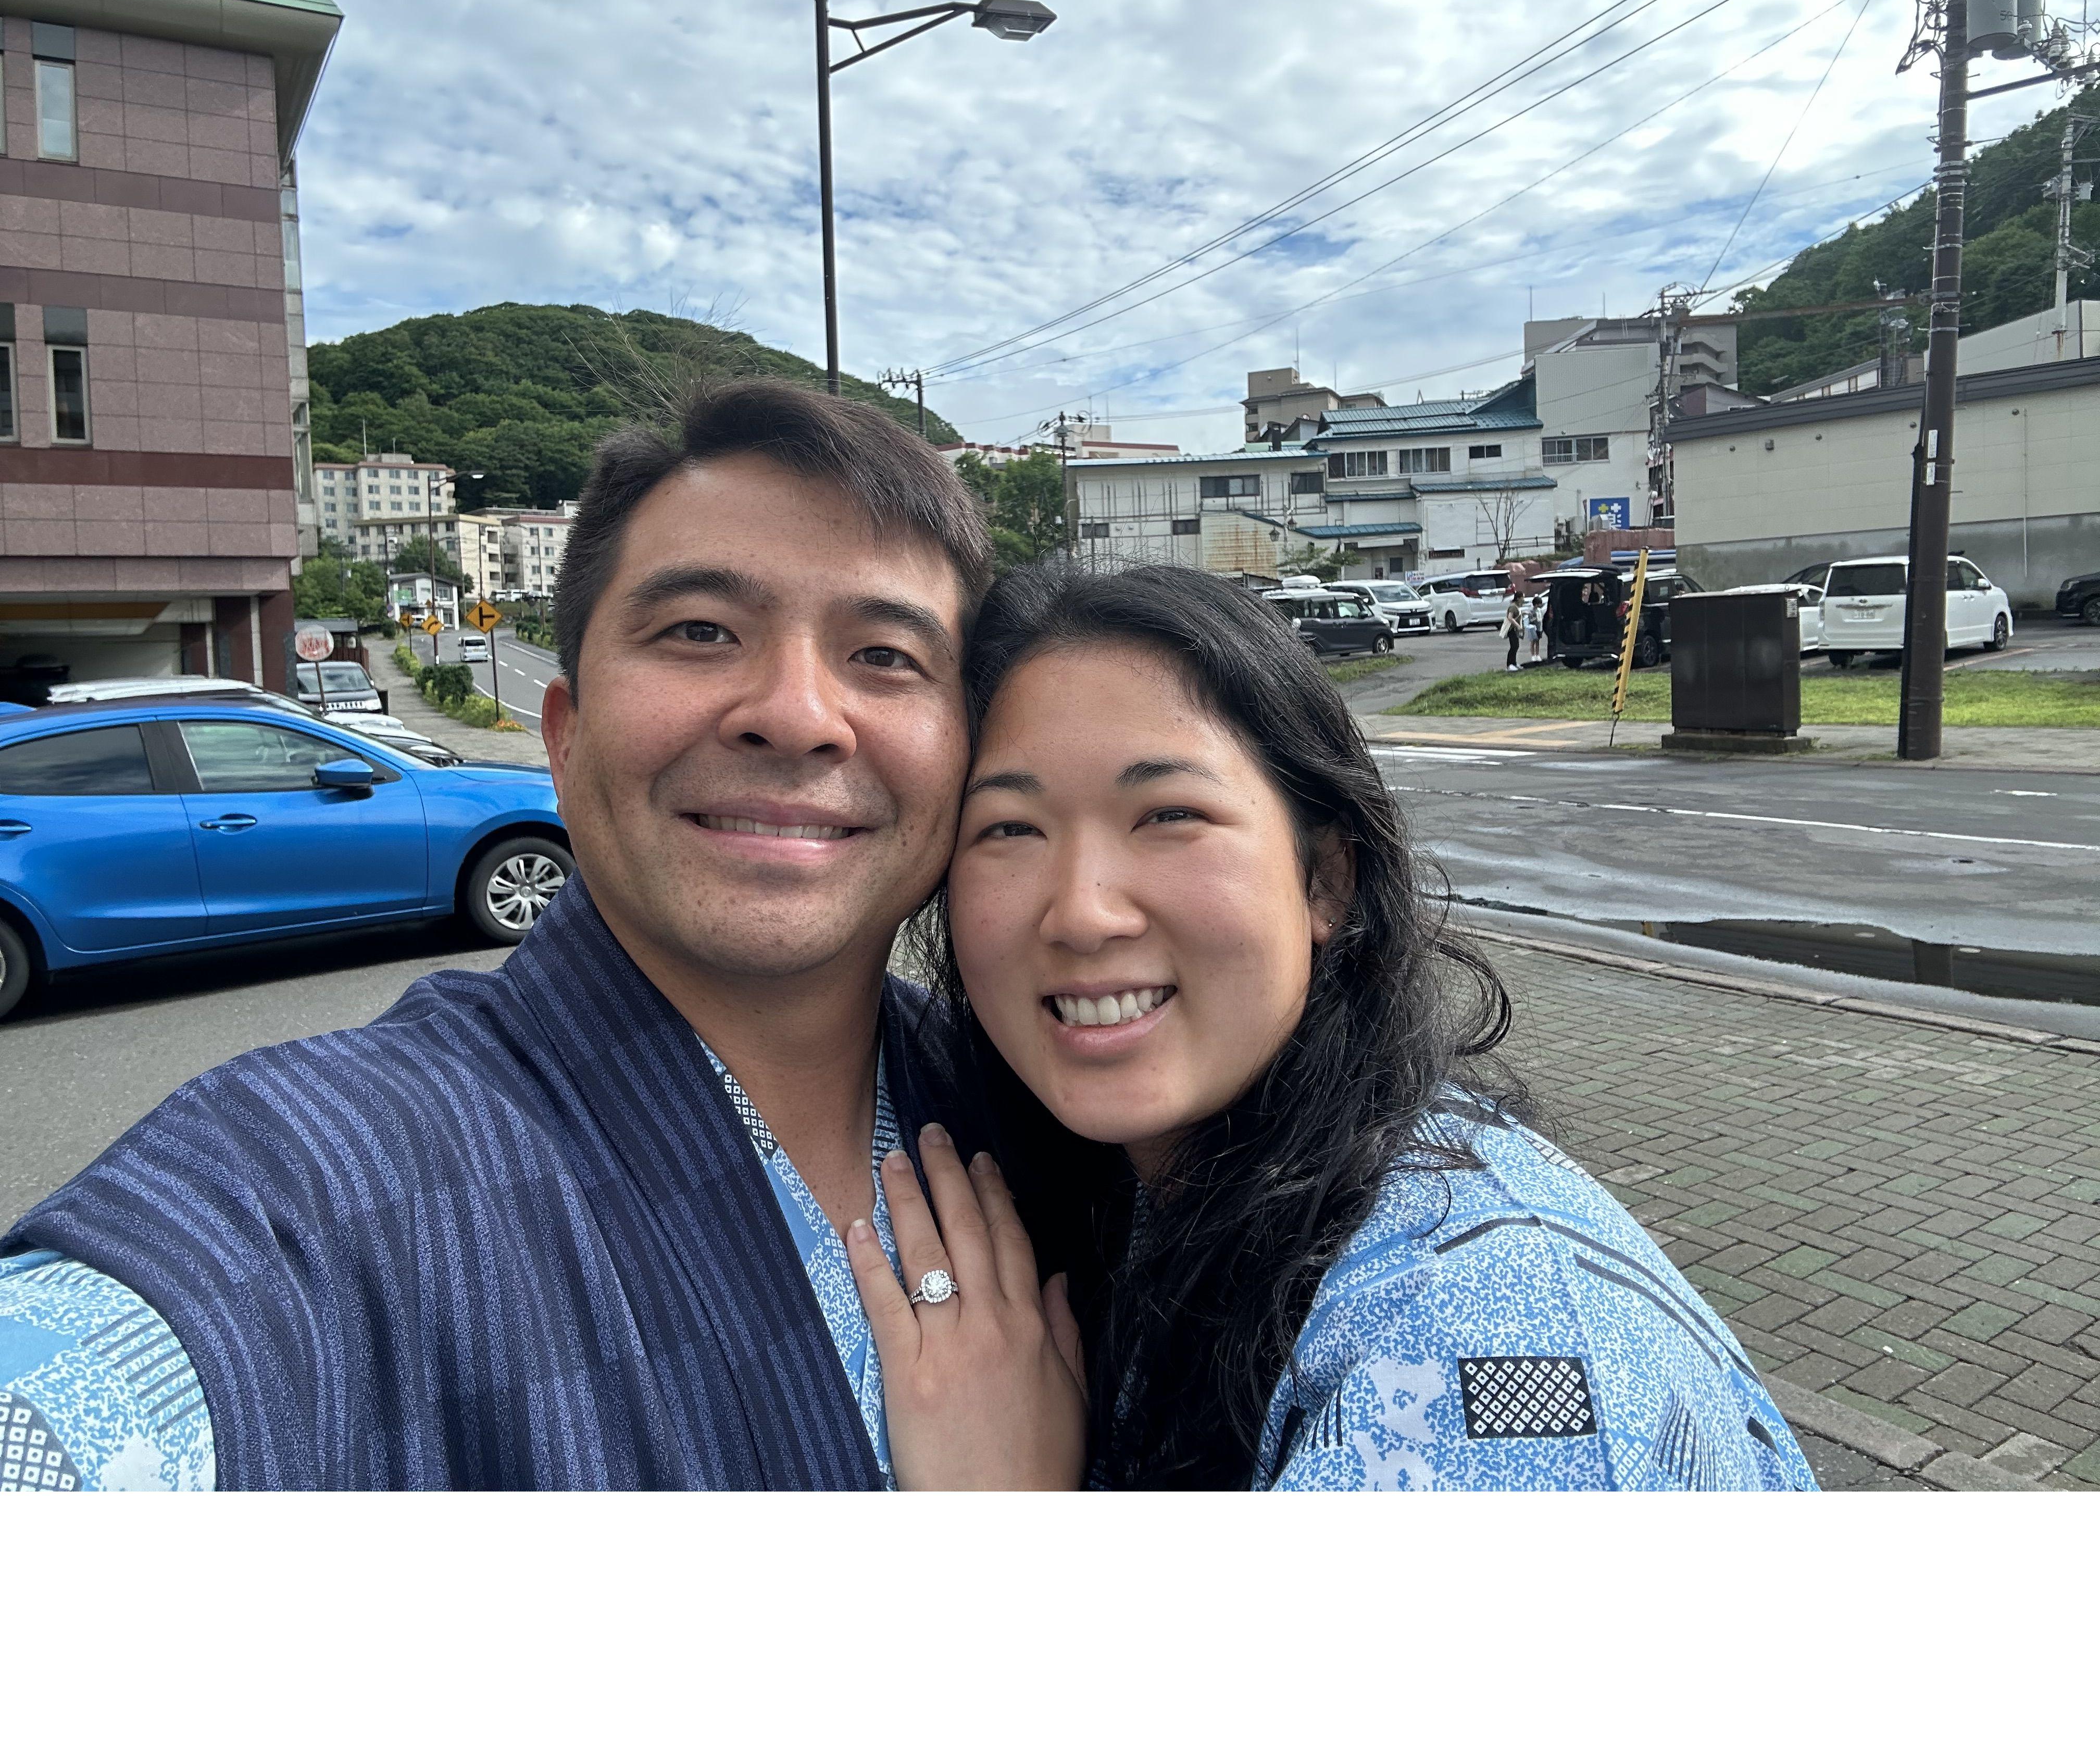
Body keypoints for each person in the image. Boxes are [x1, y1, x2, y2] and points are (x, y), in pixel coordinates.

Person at [0, 381, 1075, 1492]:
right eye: (701, 631)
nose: (796, 714)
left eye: (887, 656)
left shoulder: (1041, 1107)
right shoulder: (309, 1182)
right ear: (563, 742)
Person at [852, 565, 1815, 1491]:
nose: (1082, 913)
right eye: (1010, 829)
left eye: (1168, 814)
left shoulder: (1486, 1345)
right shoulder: (1145, 1192)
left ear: (1326, 879)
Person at [1500, 589, 1524, 670]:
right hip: (1512, 630)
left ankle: (1514, 663)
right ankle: (1510, 664)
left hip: (1515, 630)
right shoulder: (1513, 607)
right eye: (1522, 598)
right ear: (1518, 598)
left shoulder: (1517, 606)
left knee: (1516, 646)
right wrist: (1518, 626)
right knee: (1514, 646)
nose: (1523, 599)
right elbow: (1510, 618)